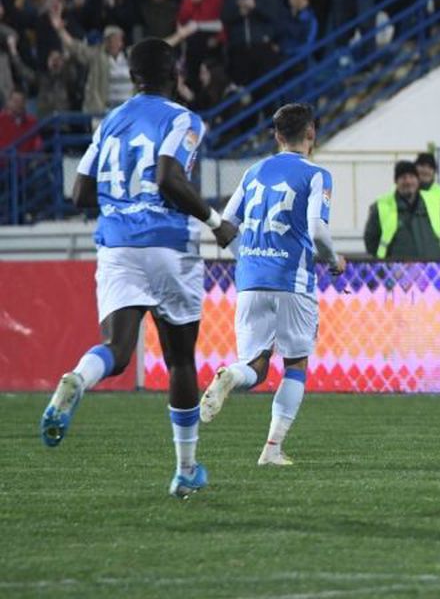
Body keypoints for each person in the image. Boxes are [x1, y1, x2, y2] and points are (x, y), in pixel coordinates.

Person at [38, 38, 237, 498]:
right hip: (168, 246)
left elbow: (79, 193)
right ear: (175, 74)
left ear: (132, 77)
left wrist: (121, 203)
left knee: (118, 348)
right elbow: (169, 177)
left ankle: (78, 378)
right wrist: (216, 222)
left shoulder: (110, 121)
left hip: (117, 246)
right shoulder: (183, 118)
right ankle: (185, 470)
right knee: (180, 360)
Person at [199, 103, 346, 466]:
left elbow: (225, 224)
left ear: (277, 136)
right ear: (311, 132)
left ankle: (231, 375)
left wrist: (248, 256)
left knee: (256, 366)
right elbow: (317, 230)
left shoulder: (253, 172)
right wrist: (333, 261)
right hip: (292, 280)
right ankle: (272, 449)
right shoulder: (317, 175)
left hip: (251, 279)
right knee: (295, 363)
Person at [364, 160, 440, 260]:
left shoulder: (433, 201)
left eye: (412, 177)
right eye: (403, 177)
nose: (408, 181)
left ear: (418, 180)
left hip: (431, 266)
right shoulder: (381, 206)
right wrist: (388, 263)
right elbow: (371, 241)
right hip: (396, 268)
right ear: (396, 182)